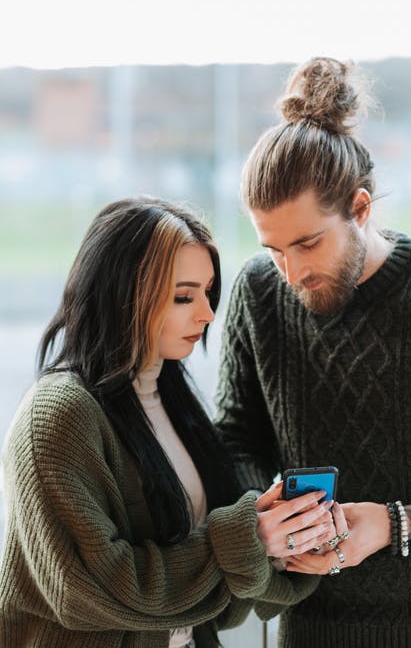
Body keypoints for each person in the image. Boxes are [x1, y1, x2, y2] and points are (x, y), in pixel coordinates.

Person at [215, 57, 411, 647]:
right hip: (310, 627)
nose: (291, 272)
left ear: (361, 208)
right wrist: (270, 520)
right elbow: (237, 439)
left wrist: (395, 523)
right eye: (273, 248)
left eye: (308, 243)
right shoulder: (258, 295)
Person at [0, 197, 336, 647]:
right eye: (183, 296)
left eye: (207, 292)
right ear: (123, 293)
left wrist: (282, 549)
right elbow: (87, 587)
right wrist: (246, 541)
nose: (207, 313)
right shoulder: (59, 416)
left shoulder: (173, 404)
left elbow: (213, 587)